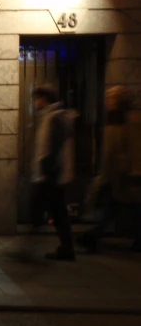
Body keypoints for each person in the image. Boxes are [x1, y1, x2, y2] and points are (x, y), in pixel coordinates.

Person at [78, 86, 141, 253]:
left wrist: (136, 175)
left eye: (112, 98)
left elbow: (136, 149)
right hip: (114, 175)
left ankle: (93, 236)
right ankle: (93, 235)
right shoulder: (112, 120)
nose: (108, 102)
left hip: (125, 176)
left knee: (122, 208)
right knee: (116, 208)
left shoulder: (132, 120)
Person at [30, 84, 76, 261]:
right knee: (58, 213)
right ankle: (67, 248)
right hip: (51, 175)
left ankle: (27, 248)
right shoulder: (52, 116)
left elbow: (53, 150)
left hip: (50, 175)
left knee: (42, 211)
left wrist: (46, 171)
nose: (34, 103)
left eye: (37, 99)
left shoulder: (55, 118)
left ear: (44, 99)